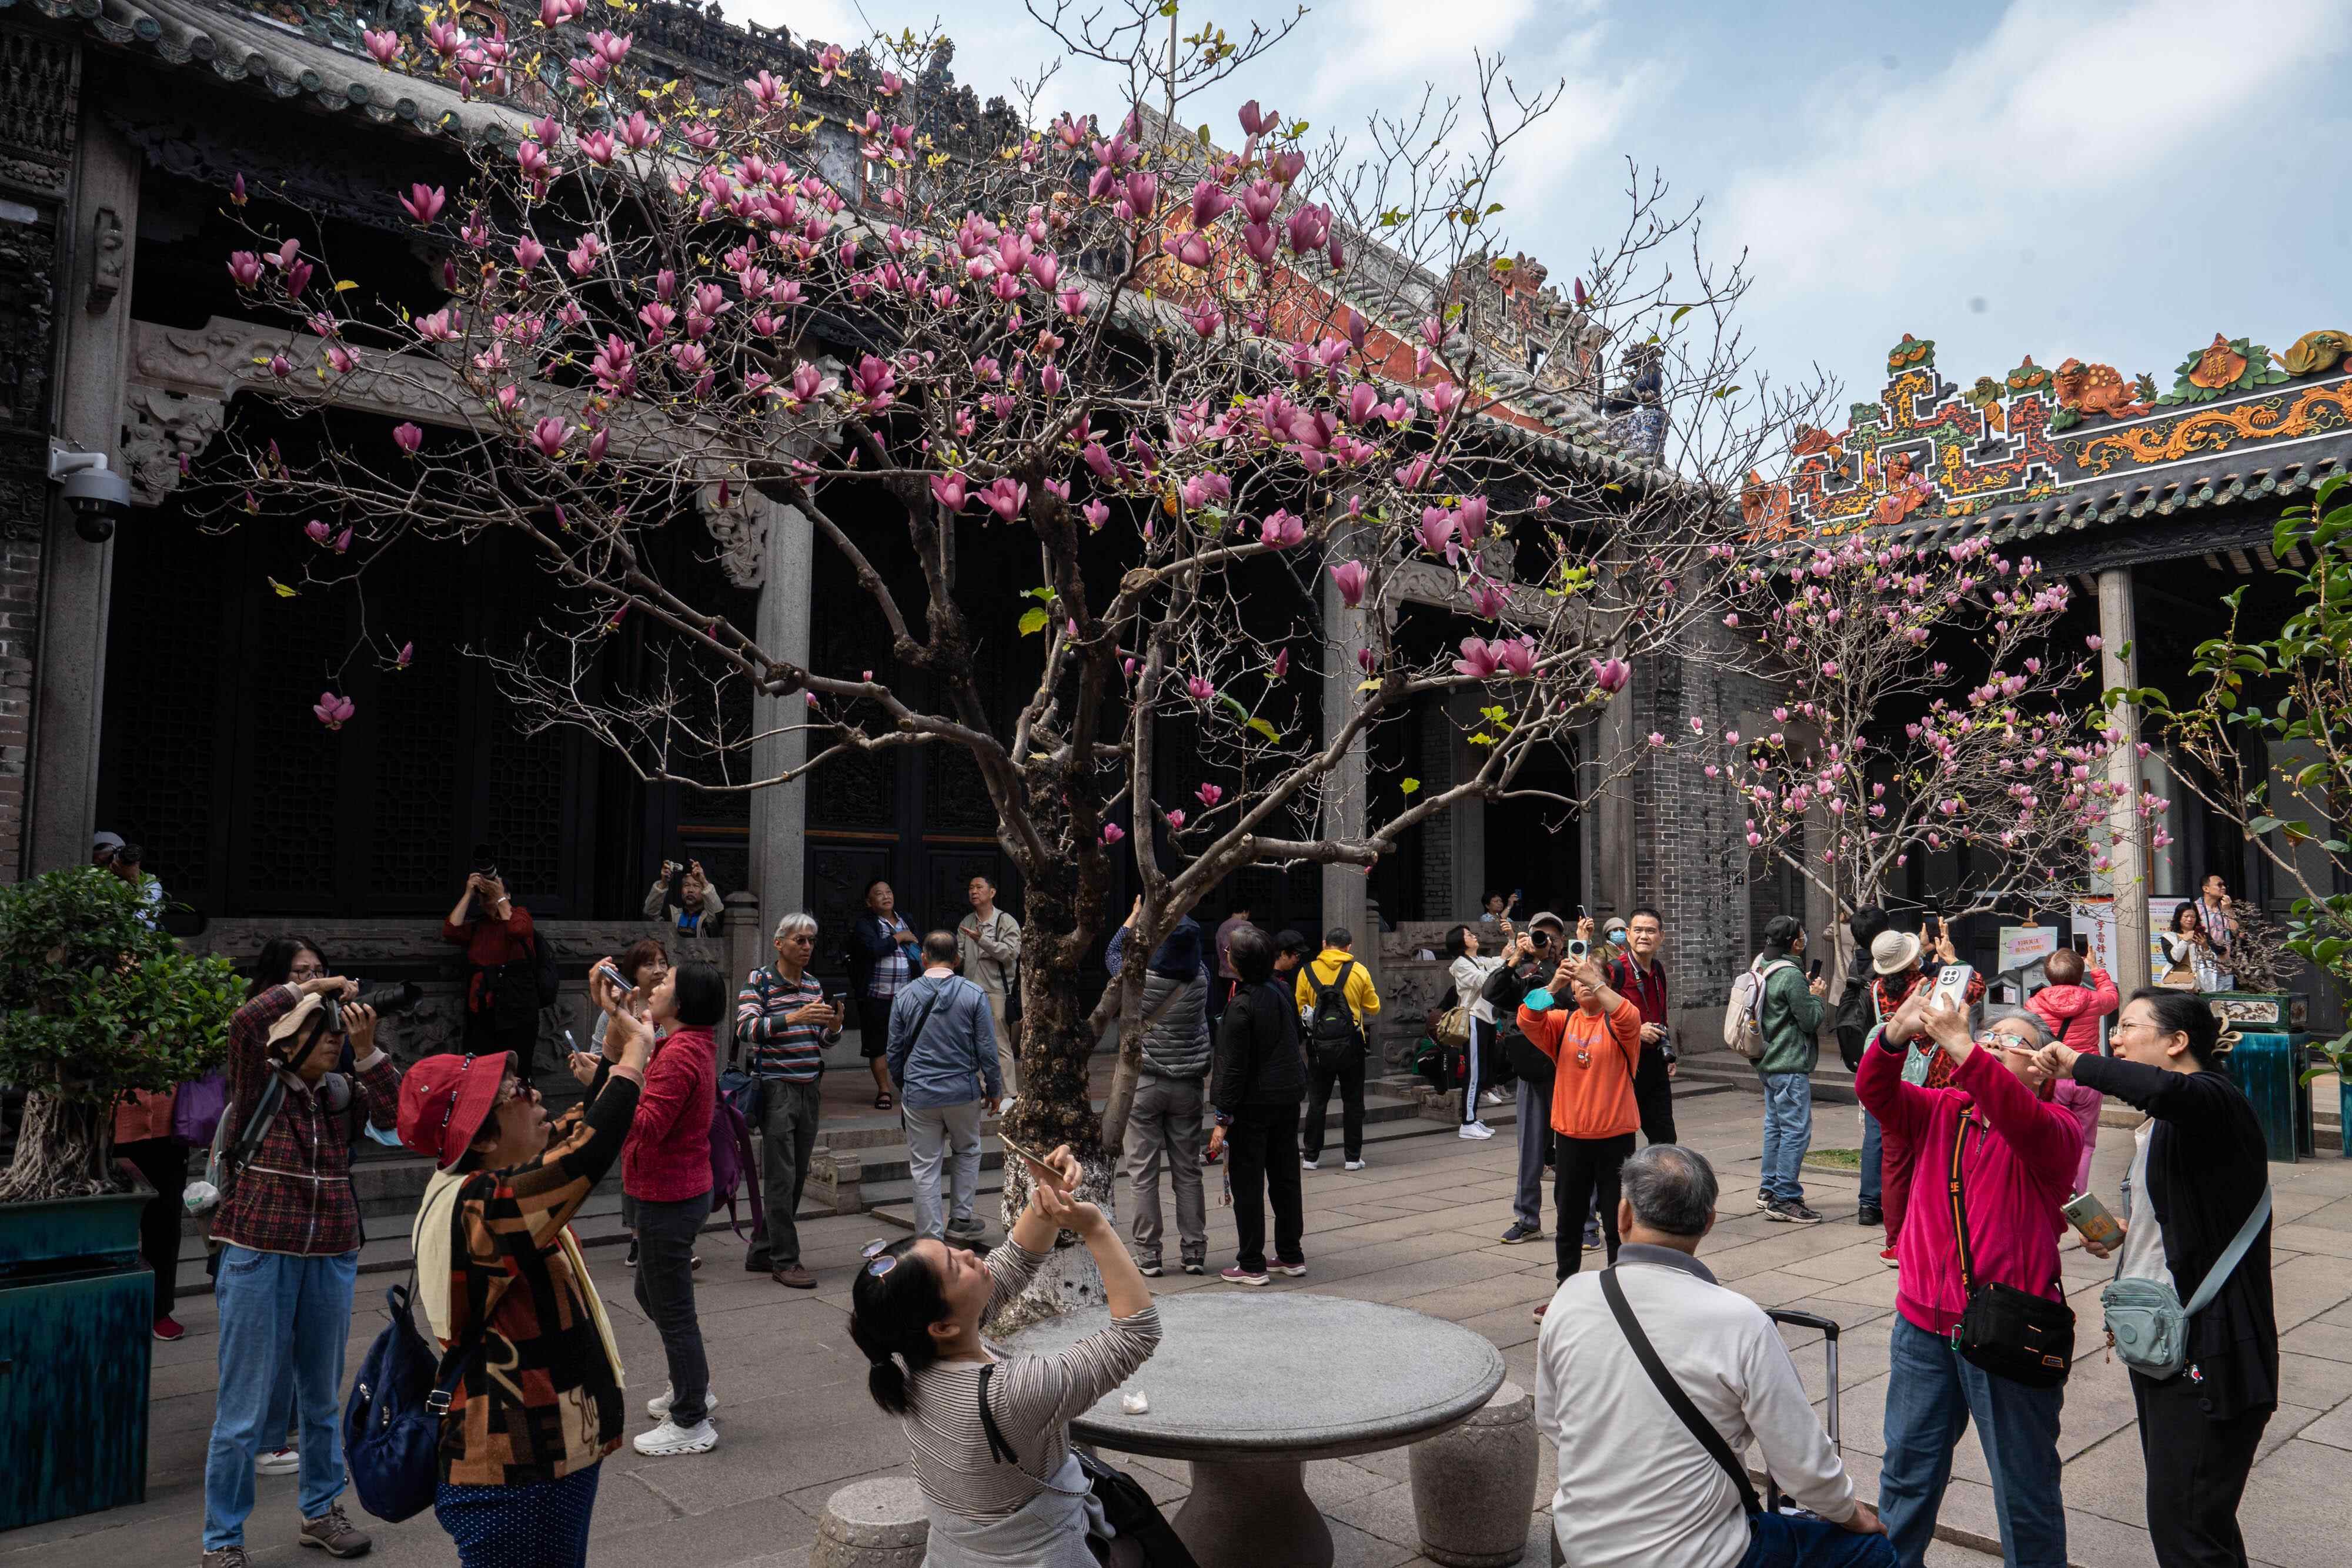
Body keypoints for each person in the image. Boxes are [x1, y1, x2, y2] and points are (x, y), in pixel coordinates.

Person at [397, 960, 652, 1568]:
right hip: (513, 1470)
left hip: (536, 1458)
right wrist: (635, 1058)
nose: (534, 1092)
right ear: (482, 1137)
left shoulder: (480, 1184)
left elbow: (576, 1132)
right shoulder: (480, 1206)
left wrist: (612, 1048)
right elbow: (581, 1158)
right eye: (515, 1092)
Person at [1535, 1145, 1892, 1568]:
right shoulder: (1740, 1321)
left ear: (1623, 1215)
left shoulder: (1570, 1298)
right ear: (1709, 1221)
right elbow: (1803, 1468)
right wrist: (1852, 1514)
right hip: (1701, 1554)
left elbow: (1553, 1421)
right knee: (1876, 1553)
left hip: (1584, 1542)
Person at [2037, 990, 2276, 1568]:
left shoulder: (2214, 1100)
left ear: (2177, 1042)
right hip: (2166, 1342)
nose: (2115, 1040)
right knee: (2195, 1521)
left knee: (2186, 1527)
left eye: (2127, 1027)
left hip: (2212, 1350)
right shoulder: (2169, 1122)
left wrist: (2076, 1061)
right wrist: (2127, 1230)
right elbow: (2188, 1213)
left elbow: (2166, 1091)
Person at [849, 1141, 1158, 1567]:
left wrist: (1048, 1197)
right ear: (942, 1326)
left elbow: (1015, 1260)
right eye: (955, 1266)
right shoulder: (1008, 1394)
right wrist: (1096, 1228)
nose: (969, 1254)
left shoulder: (908, 1359)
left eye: (951, 1249)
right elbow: (1136, 1333)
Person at [1857, 985, 2079, 1568]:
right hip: (1922, 1327)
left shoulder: (2054, 1128)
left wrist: (1963, 1045)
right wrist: (1893, 1036)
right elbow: (1875, 1092)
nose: (1993, 1044)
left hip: (2007, 1334)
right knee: (1907, 1473)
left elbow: (2015, 1113)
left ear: (2041, 1068)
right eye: (1990, 1035)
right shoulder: (1942, 1110)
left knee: (2024, 1489)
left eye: (2011, 1041)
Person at [201, 974, 400, 1567]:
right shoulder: (259, 1083)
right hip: (258, 1251)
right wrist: (311, 986)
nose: (334, 1039)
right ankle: (222, 1540)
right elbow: (244, 1024)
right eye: (321, 1030)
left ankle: (321, 1511)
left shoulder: (341, 1093)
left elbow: (398, 1119)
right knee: (242, 1410)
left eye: (337, 1031)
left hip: (330, 1253)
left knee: (320, 1399)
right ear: (288, 1042)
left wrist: (369, 1052)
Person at [623, 960, 724, 1457]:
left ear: (681, 1003)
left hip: (669, 1195)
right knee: (652, 1291)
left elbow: (648, 1125)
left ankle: (691, 1419)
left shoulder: (681, 1053)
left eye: (666, 982)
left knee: (673, 1308)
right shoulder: (685, 1042)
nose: (656, 983)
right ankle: (692, 1383)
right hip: (673, 1190)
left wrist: (618, 1082)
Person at [1519, 934, 1643, 1313]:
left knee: (1617, 1221)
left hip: (1615, 1137)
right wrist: (1553, 984)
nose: (1584, 982)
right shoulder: (1562, 1022)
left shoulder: (1620, 1024)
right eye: (1579, 979)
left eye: (1593, 976)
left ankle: (1620, 1294)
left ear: (1607, 983)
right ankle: (1566, 1291)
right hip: (1571, 1137)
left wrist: (1596, 982)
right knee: (1569, 1220)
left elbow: (1629, 1015)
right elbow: (1527, 1017)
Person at [1867, 921, 1984, 1266]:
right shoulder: (1933, 987)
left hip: (1897, 1082)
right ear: (1914, 958)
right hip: (1936, 1085)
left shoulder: (1876, 989)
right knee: (1940, 1163)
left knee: (1895, 1165)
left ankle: (1895, 1243)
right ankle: (1932, 1238)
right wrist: (1952, 961)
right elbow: (1975, 987)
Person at [736, 915, 841, 1286]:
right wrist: (794, 1017)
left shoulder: (813, 984)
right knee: (781, 1177)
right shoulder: (760, 980)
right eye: (800, 940)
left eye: (811, 940)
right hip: (777, 1087)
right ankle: (785, 1260)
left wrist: (833, 1028)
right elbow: (746, 1028)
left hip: (809, 1085)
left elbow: (820, 1041)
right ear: (779, 943)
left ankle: (763, 1250)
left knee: (795, 1176)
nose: (807, 947)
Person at [1106, 907, 1212, 1274]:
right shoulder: (1202, 978)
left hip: (1146, 1083)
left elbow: (1112, 951)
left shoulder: (1138, 978)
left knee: (1142, 1173)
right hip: (1188, 1086)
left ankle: (1149, 1253)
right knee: (1189, 1170)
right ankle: (1194, 1250)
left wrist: (1134, 917)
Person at [1207, 925, 1308, 1285]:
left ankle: (1252, 1263)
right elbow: (1296, 1037)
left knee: (1248, 1183)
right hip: (1286, 1098)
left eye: (1230, 952)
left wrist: (1222, 1118)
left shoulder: (1242, 1005)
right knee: (1285, 1178)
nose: (1227, 956)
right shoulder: (1281, 991)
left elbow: (1231, 1068)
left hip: (1254, 1106)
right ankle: (1291, 1254)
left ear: (1238, 962)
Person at [889, 932, 1004, 1245]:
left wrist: (905, 1086)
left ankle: (929, 1235)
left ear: (923, 958)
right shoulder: (974, 994)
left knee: (925, 1166)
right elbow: (987, 1049)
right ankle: (961, 1220)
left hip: (919, 1093)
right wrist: (994, 1088)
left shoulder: (904, 996)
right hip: (962, 1091)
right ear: (957, 959)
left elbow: (894, 1052)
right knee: (967, 1151)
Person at [1487, 911, 1566, 1246]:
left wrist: (1549, 965)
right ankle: (1527, 1219)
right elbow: (1492, 992)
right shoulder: (1522, 972)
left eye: (1552, 937)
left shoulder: (1571, 969)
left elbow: (1568, 1001)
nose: (1546, 942)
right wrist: (1516, 958)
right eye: (1539, 935)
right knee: (1531, 1150)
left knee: (1573, 1151)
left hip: (1569, 1070)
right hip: (1532, 1071)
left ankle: (1582, 1221)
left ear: (1562, 940)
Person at [1750, 915, 1831, 1225]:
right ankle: (1785, 1197)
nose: (1805, 939)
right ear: (1795, 943)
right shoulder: (1790, 975)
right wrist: (1817, 997)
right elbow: (1810, 1020)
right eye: (1802, 936)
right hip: (1789, 1063)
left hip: (1768, 1061)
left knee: (1775, 1126)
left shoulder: (1762, 964)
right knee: (1796, 1130)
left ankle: (1769, 1189)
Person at [2026, 946, 2119, 1196]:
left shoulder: (2033, 1004)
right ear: (2080, 975)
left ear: (2048, 976)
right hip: (2087, 1076)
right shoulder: (2093, 1000)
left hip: (2053, 1078)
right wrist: (2096, 968)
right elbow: (2112, 997)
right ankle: (2077, 1196)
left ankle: (2055, 1192)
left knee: (2054, 1137)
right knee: (2085, 1143)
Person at [442, 861, 543, 1078]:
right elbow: (451, 931)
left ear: (509, 895)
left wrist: (500, 897)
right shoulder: (479, 926)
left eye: (496, 892)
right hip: (483, 1011)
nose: (489, 898)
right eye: (485, 895)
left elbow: (517, 931)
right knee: (481, 1071)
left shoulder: (520, 915)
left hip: (517, 1010)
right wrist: (469, 893)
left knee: (517, 1072)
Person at [1295, 926, 1381, 1171]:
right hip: (1352, 1046)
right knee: (1353, 1102)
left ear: (1325, 944)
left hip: (1319, 1047)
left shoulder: (1307, 971)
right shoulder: (1359, 970)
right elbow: (1374, 1007)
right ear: (1349, 947)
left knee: (1317, 1102)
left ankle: (1311, 1157)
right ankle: (1352, 1158)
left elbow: (1300, 1006)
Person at [1836, 907, 1892, 1230]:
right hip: (1894, 1060)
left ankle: (1869, 1204)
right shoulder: (1889, 972)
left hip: (1867, 1061)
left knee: (1874, 1135)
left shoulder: (1857, 965)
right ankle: (1899, 1200)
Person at [1607, 905, 1678, 1148]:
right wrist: (1635, 1032)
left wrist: (1668, 1051)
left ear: (1661, 936)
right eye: (1638, 930)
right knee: (1622, 1137)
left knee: (1665, 1137)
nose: (1644, 936)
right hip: (1624, 1063)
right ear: (1628, 934)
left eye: (1650, 931)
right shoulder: (1615, 970)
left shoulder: (1658, 970)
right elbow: (1598, 1018)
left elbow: (1661, 1013)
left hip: (1655, 1061)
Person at [849, 880, 921, 1109]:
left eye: (889, 892)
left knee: (911, 1042)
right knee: (878, 1045)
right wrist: (900, 937)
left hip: (907, 995)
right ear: (869, 902)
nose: (886, 896)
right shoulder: (865, 924)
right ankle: (884, 1090)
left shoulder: (906, 919)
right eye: (879, 894)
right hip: (877, 995)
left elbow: (918, 946)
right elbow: (874, 949)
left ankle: (912, 1088)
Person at [957, 875, 1023, 1098]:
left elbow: (1010, 953)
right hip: (970, 990)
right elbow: (959, 956)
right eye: (971, 888)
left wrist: (982, 940)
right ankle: (982, 1090)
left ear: (992, 892)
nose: (974, 892)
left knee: (999, 1042)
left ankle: (1009, 1093)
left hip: (997, 991)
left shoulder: (1005, 921)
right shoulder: (967, 922)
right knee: (972, 1042)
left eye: (979, 887)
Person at [1445, 922, 1505, 1141]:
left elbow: (1500, 962)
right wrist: (1503, 965)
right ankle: (1467, 1123)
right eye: (1468, 935)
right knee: (1474, 1073)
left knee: (1484, 1069)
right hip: (1473, 1018)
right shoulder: (1461, 964)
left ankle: (1473, 1118)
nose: (1474, 936)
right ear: (1460, 943)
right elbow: (1484, 980)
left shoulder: (1479, 960)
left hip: (1486, 1018)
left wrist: (1511, 940)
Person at [93, 831, 165, 927]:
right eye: (102, 863)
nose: (110, 865)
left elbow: (143, 924)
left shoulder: (149, 884)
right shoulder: (92, 882)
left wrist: (134, 882)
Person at [642, 857, 724, 937]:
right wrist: (663, 883)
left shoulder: (709, 918)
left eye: (696, 886)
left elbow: (717, 914)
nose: (690, 890)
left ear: (704, 891)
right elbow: (650, 915)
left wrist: (704, 881)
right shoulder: (672, 915)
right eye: (686, 885)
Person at [2161, 902, 2224, 993]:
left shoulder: (2203, 936)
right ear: (2179, 917)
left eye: (2193, 917)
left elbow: (2213, 961)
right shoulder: (2169, 937)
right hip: (2177, 982)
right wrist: (2185, 940)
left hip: (2201, 982)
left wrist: (2205, 947)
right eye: (2186, 916)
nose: (2190, 919)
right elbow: (2174, 959)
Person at [1210, 902, 1255, 1024]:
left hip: (1224, 974)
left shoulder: (1222, 927)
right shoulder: (1247, 926)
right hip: (1241, 976)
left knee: (1228, 1006)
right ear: (1245, 912)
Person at [2196, 873, 2239, 989]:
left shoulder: (2225, 907)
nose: (2223, 888)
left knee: (2225, 999)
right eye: (2219, 885)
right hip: (2204, 963)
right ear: (2206, 889)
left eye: (2224, 885)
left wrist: (2228, 910)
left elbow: (2236, 932)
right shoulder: (2195, 908)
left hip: (2225, 963)